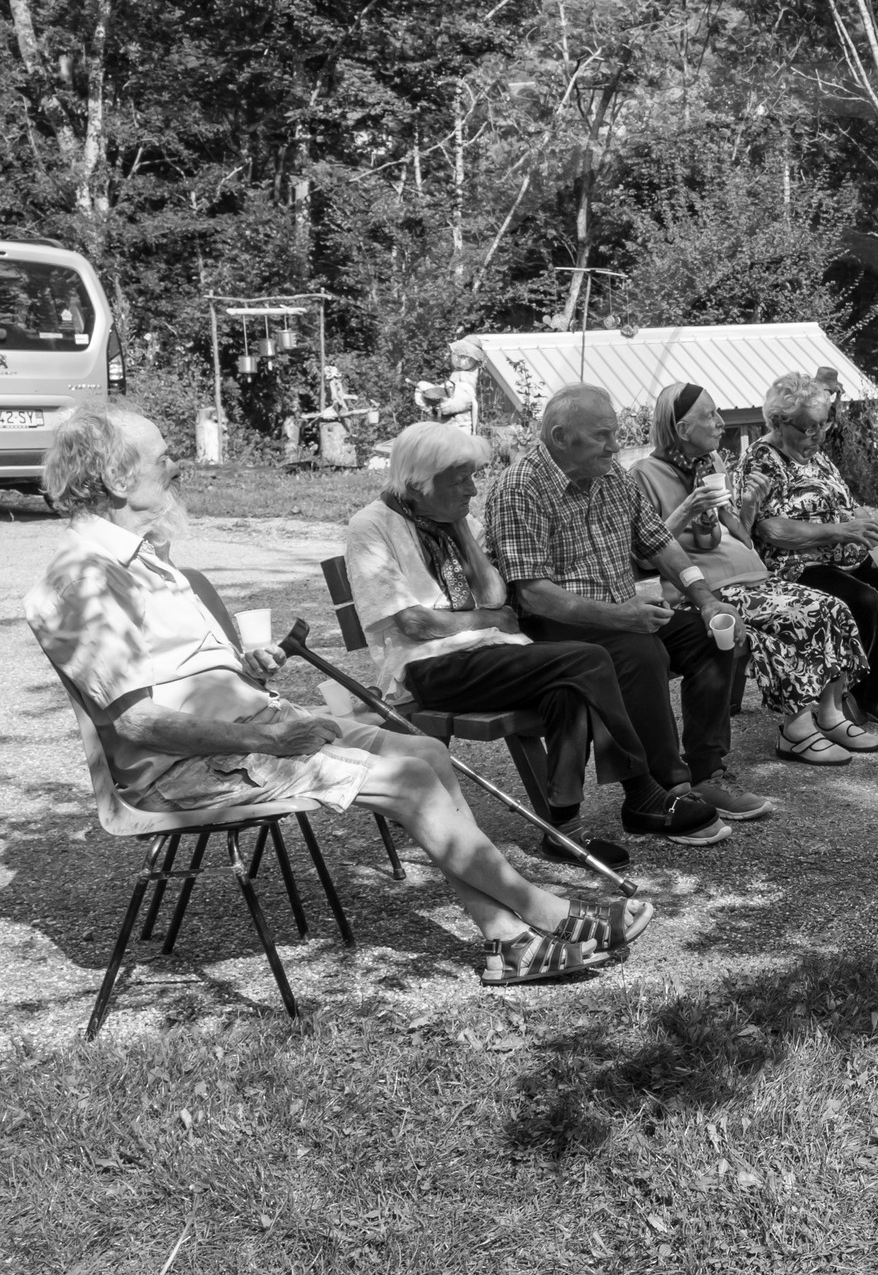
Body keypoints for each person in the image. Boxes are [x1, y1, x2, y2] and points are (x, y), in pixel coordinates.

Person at [25, 406, 650, 988]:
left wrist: (246, 667)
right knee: (411, 781)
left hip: (246, 730)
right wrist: (263, 737)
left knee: (425, 754)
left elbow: (174, 675)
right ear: (114, 475)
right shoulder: (84, 577)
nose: (177, 466)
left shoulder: (144, 559)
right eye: (162, 457)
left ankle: (506, 940)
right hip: (187, 770)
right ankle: (553, 914)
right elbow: (136, 722)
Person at [347, 421, 708, 862]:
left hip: (495, 654)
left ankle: (563, 829)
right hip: (428, 669)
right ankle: (642, 791)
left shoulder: (458, 520)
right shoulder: (373, 527)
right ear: (418, 484)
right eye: (459, 480)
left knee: (566, 690)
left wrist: (461, 530)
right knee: (589, 659)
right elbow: (417, 624)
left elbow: (499, 599)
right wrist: (486, 618)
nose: (472, 490)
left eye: (472, 476)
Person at [481, 383, 770, 829]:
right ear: (560, 437)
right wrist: (622, 617)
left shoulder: (611, 475)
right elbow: (534, 594)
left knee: (707, 635)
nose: (615, 446)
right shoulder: (521, 487)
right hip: (554, 627)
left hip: (618, 616)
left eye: (615, 434)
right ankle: (661, 793)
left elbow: (659, 542)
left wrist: (706, 599)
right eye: (603, 436)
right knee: (640, 650)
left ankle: (706, 772)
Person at [632, 384, 874, 764]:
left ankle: (830, 715)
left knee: (834, 607)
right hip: (710, 589)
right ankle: (795, 731)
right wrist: (687, 509)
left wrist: (747, 504)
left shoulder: (710, 465)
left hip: (753, 579)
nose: (719, 422)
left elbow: (741, 535)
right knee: (798, 615)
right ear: (681, 429)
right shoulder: (644, 475)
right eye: (710, 415)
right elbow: (644, 555)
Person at [734, 371, 878, 728]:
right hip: (798, 566)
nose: (818, 435)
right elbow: (771, 529)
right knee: (863, 600)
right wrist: (838, 532)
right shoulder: (762, 459)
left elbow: (852, 506)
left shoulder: (817, 457)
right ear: (779, 422)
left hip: (845, 557)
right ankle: (870, 696)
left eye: (823, 426)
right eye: (810, 428)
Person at [415, 337, 485, 434]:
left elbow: (458, 400)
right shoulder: (458, 372)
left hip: (460, 428)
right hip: (448, 425)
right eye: (458, 355)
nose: (459, 360)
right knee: (421, 386)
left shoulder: (468, 378)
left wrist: (438, 401)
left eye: (464, 357)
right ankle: (431, 411)